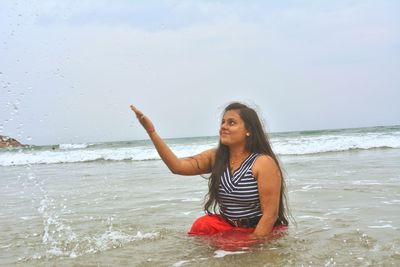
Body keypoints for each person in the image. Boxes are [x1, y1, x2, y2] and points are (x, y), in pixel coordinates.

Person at [130, 102, 288, 242]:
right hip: (229, 227)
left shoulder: (263, 162)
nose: (223, 127)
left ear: (249, 130)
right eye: (223, 122)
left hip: (258, 230)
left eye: (231, 123)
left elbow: (270, 215)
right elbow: (177, 166)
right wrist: (151, 132)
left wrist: (250, 244)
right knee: (202, 226)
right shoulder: (215, 157)